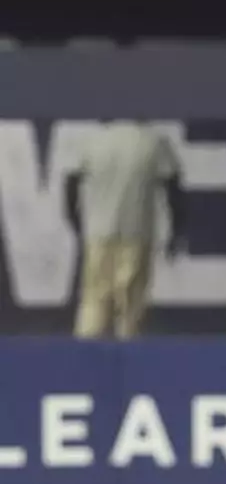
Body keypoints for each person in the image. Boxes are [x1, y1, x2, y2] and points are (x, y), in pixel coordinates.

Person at [66, 119, 187, 340]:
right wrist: (177, 230)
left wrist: (74, 221)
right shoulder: (153, 142)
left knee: (94, 301)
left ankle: (84, 356)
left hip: (99, 232)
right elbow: (173, 188)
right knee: (131, 306)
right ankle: (127, 356)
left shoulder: (93, 141)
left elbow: (71, 183)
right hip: (137, 232)